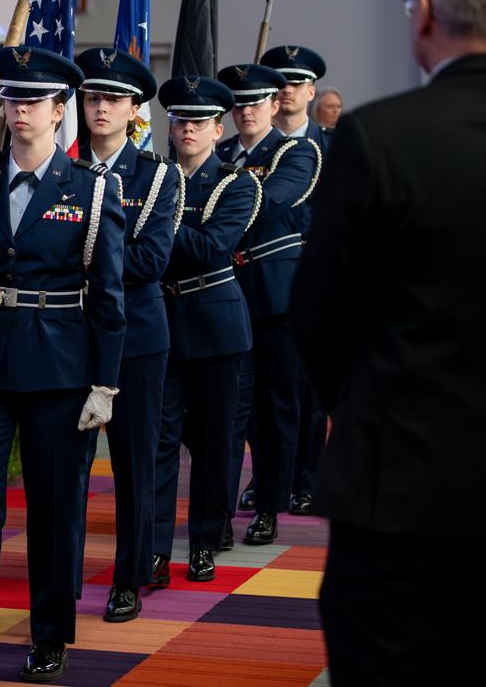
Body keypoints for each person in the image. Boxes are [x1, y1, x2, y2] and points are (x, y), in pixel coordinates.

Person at [292, 0, 486, 686]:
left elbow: (319, 318)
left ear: (422, 14)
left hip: (399, 500)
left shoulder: (378, 137)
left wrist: (366, 403)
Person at [0, 47, 125, 686]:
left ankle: (50, 638)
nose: (21, 110)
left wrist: (105, 380)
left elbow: (109, 295)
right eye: (13, 98)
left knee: (53, 510)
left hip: (60, 365)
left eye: (34, 100)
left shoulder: (92, 189)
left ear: (59, 109)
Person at [74, 47, 180, 622]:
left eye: (113, 98)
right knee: (69, 466)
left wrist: (83, 254)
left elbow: (153, 260)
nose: (100, 108)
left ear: (135, 108)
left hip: (138, 336)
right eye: (92, 97)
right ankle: (63, 575)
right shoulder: (63, 169)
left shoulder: (157, 174)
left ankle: (129, 578)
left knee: (135, 465)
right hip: (74, 337)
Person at [150, 76, 258, 587]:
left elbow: (211, 248)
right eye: (179, 120)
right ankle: (152, 549)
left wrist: (157, 227)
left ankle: (204, 543)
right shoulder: (155, 177)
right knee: (161, 440)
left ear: (219, 129)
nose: (187, 128)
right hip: (161, 326)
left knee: (215, 446)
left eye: (199, 122)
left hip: (215, 328)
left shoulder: (237, 184)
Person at [215, 63, 319, 548]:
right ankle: (220, 508)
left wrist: (217, 206)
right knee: (232, 411)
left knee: (278, 406)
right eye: (238, 104)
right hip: (223, 294)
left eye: (256, 102)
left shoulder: (298, 152)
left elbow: (269, 204)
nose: (246, 112)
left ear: (275, 105)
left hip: (275, 298)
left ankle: (272, 505)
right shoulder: (220, 151)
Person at [259, 46, 331, 518]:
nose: (286, 89)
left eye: (295, 82)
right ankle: (271, 479)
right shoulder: (255, 148)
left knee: (310, 392)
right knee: (266, 394)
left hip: (319, 283)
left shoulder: (335, 145)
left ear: (311, 91)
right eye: (278, 82)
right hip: (265, 282)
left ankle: (307, 480)